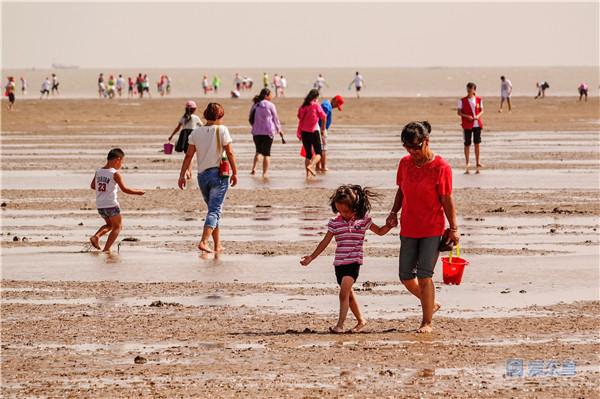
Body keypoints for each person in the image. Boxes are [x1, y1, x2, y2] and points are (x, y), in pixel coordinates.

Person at [385, 121, 459, 334]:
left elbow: (447, 199)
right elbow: (401, 191)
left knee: (425, 275)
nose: (412, 152)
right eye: (408, 147)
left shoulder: (441, 167)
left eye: (416, 147)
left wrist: (454, 228)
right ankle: (431, 304)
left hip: (432, 229)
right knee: (406, 276)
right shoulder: (405, 164)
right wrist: (393, 213)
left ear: (426, 142)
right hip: (409, 226)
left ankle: (426, 321)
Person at [301, 185, 392, 333]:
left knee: (343, 293)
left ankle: (340, 325)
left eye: (346, 211)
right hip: (339, 264)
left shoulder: (363, 220)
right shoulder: (335, 222)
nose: (343, 214)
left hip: (353, 262)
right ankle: (361, 320)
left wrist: (390, 226)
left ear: (354, 207)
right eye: (339, 211)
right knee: (348, 296)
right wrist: (311, 257)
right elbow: (324, 242)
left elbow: (380, 232)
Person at [177, 103, 239, 253]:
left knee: (213, 210)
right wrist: (236, 172)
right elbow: (230, 153)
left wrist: (182, 175)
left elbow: (188, 156)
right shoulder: (222, 130)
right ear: (219, 117)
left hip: (202, 176)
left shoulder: (196, 133)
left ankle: (217, 244)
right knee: (214, 210)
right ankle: (204, 242)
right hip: (218, 175)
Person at [89, 148, 145, 252]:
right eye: (122, 162)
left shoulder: (98, 171)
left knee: (109, 225)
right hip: (111, 204)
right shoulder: (115, 173)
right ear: (117, 160)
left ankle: (96, 236)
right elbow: (125, 189)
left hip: (100, 204)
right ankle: (106, 249)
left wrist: (104, 188)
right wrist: (138, 192)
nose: (121, 165)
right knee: (117, 227)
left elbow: (93, 186)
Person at [249, 88, 285, 178]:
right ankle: (265, 173)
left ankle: (254, 168)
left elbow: (250, 118)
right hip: (268, 132)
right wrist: (279, 130)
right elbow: (275, 119)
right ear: (266, 96)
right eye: (270, 95)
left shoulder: (255, 105)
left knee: (258, 151)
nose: (272, 96)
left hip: (256, 132)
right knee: (267, 153)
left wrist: (255, 126)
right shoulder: (271, 105)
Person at [297, 89, 327, 177]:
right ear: (316, 97)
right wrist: (323, 129)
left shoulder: (303, 106)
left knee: (308, 154)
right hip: (314, 131)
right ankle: (311, 166)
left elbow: (299, 117)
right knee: (319, 153)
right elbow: (324, 116)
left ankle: (308, 175)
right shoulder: (316, 106)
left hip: (304, 132)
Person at [457, 82, 484, 174]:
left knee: (477, 143)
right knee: (467, 144)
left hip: (477, 124)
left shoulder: (479, 100)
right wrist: (467, 116)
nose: (468, 91)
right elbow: (459, 112)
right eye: (467, 89)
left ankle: (477, 162)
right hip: (467, 125)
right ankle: (467, 162)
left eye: (470, 89)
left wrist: (477, 116)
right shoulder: (462, 100)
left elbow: (482, 111)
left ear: (474, 90)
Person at [317, 94, 344, 172]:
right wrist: (323, 130)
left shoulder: (327, 105)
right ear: (334, 100)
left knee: (319, 148)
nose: (336, 107)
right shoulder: (326, 106)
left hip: (320, 129)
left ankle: (318, 167)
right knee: (323, 149)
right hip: (321, 129)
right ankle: (323, 167)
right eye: (337, 105)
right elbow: (323, 118)